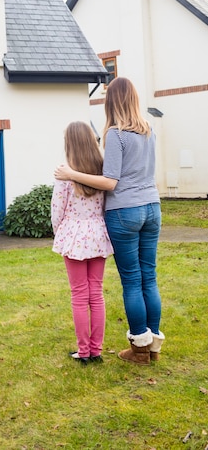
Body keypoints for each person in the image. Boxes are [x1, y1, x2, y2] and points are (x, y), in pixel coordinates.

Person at [55, 77, 164, 366]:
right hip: (152, 207)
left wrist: (72, 174)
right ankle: (153, 346)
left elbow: (110, 182)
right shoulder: (149, 131)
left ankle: (139, 348)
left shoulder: (117, 134)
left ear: (111, 102)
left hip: (125, 212)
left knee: (132, 280)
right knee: (149, 278)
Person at [51, 121, 113, 366]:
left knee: (79, 294)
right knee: (96, 293)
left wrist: (61, 234)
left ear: (70, 144)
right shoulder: (102, 171)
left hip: (74, 236)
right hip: (98, 233)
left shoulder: (65, 173)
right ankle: (96, 350)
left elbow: (57, 211)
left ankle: (83, 351)